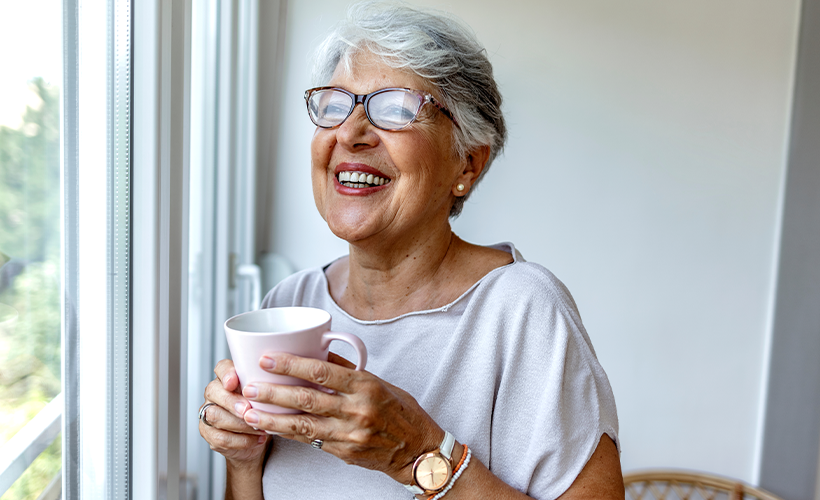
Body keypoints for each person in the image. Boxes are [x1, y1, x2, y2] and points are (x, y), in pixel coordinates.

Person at [198, 3, 622, 499]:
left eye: (397, 108)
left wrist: (418, 454)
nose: (350, 134)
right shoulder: (290, 303)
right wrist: (243, 460)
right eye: (335, 105)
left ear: (466, 163)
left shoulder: (522, 310)